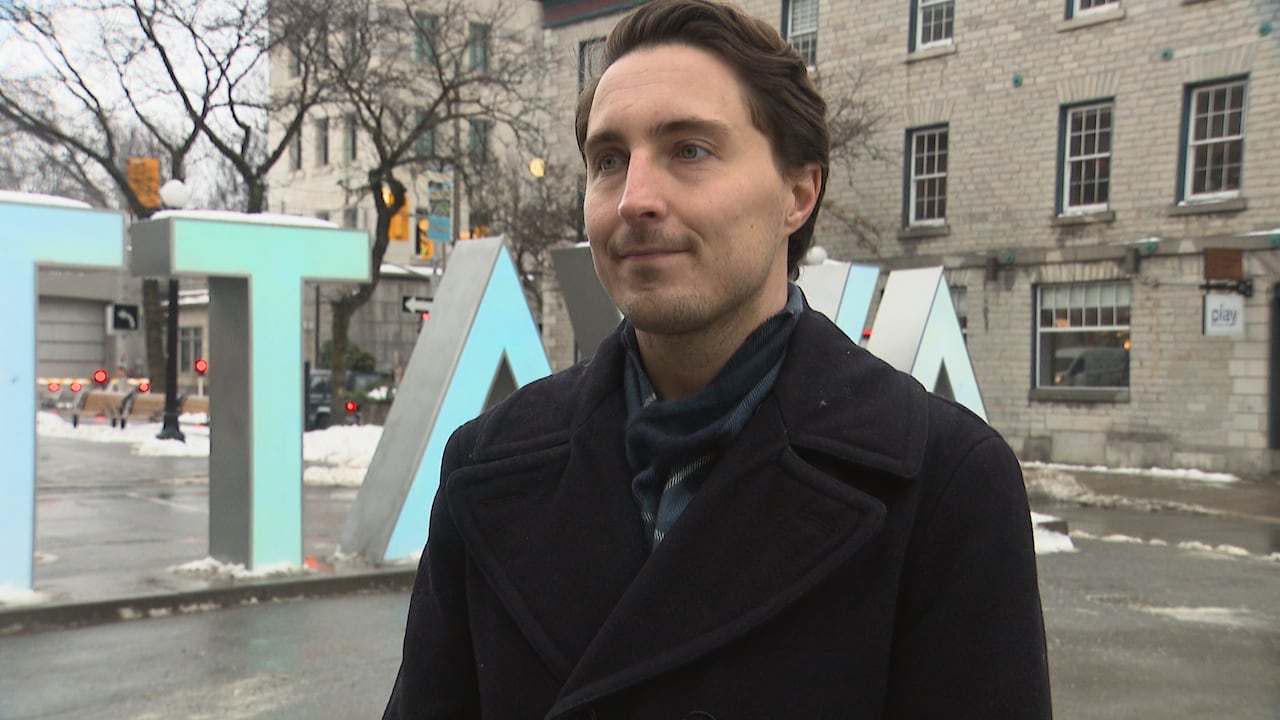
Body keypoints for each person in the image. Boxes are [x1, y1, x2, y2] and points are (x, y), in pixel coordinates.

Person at [384, 0, 1053, 717]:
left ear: (798, 193)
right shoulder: (485, 464)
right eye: (609, 161)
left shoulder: (943, 484)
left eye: (689, 151)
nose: (635, 198)